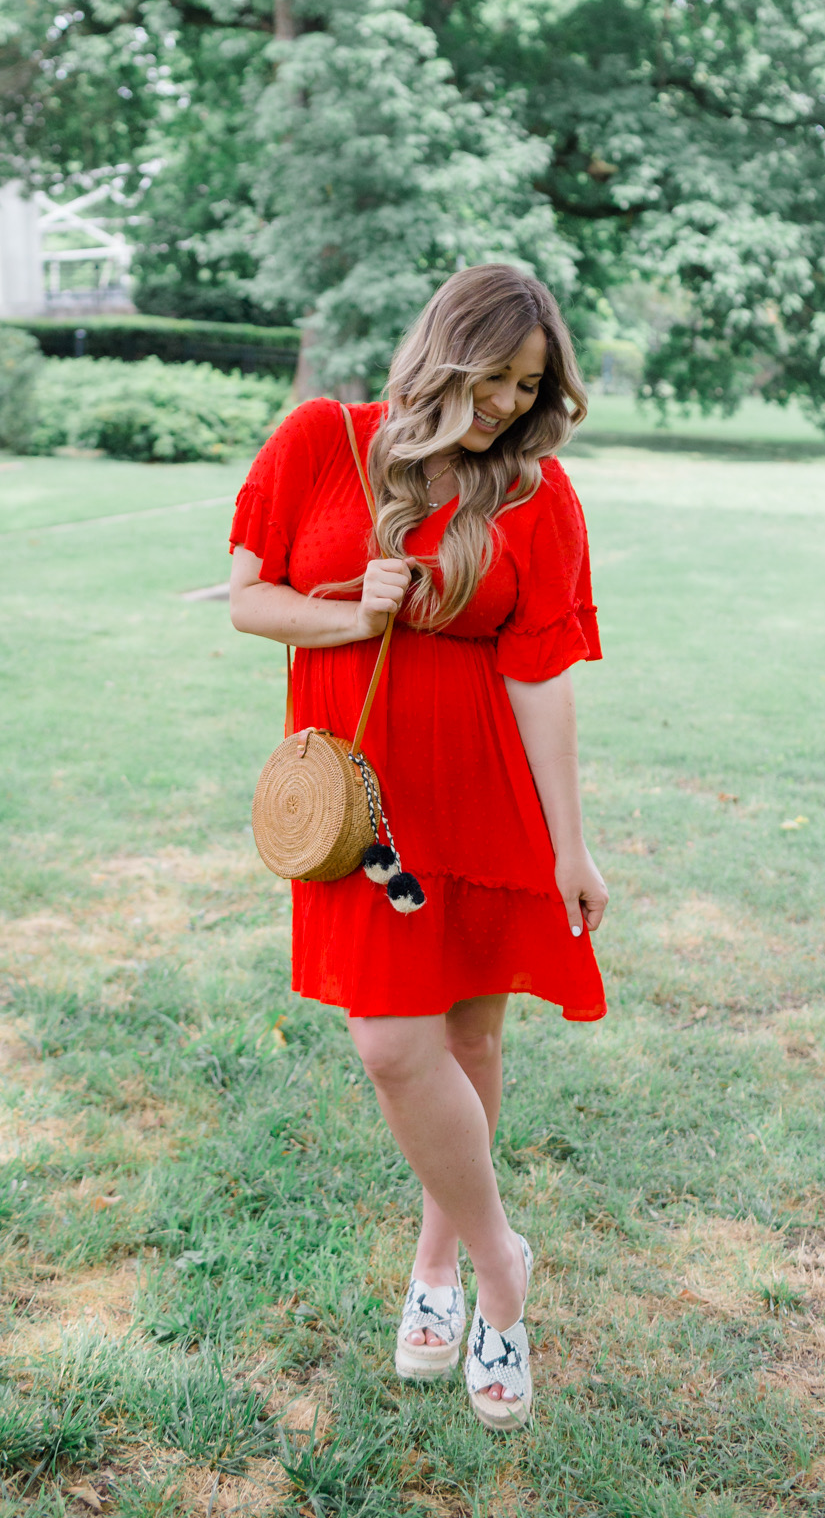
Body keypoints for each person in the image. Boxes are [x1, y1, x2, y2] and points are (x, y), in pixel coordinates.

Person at [229, 264, 608, 1430]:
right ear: (445, 348)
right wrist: (358, 608)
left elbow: (539, 674)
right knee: (394, 1044)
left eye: (527, 385)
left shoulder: (538, 494)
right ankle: (506, 1259)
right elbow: (248, 597)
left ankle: (443, 1271)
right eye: (493, 374)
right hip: (365, 802)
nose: (502, 403)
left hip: (483, 788)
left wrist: (570, 846)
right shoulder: (322, 439)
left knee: (471, 1030)